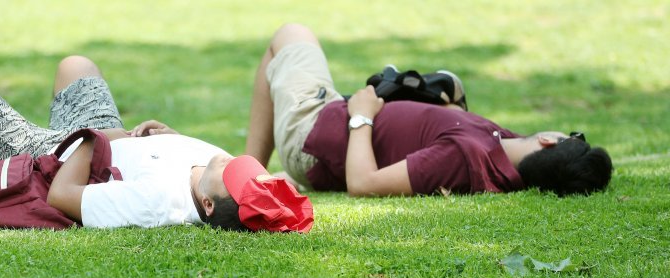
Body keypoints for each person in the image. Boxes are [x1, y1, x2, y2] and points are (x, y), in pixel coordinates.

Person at [0, 56, 313, 234]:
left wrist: (91, 140)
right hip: (111, 143)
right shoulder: (207, 179)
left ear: (204, 204)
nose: (227, 160)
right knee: (78, 66)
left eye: (228, 172)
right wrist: (165, 139)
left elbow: (64, 195)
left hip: (55, 156)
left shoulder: (155, 203)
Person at [246, 23, 613, 198]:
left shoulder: (467, 157)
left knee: (290, 36)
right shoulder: (504, 151)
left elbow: (363, 184)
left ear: (549, 142)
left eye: (569, 135)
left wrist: (362, 116)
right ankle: (251, 171)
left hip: (313, 134)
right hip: (331, 122)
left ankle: (247, 174)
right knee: (451, 86)